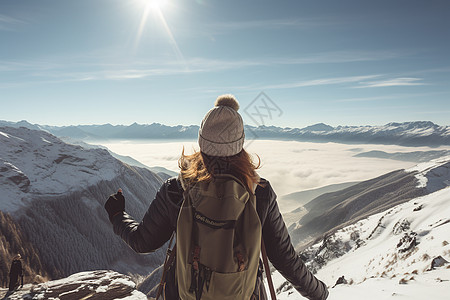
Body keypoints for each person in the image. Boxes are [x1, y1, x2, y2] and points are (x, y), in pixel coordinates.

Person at [105, 95, 329, 300]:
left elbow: (143, 242)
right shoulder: (259, 193)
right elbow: (284, 259)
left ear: (202, 141)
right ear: (240, 143)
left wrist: (117, 215)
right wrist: (319, 293)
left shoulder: (176, 190)